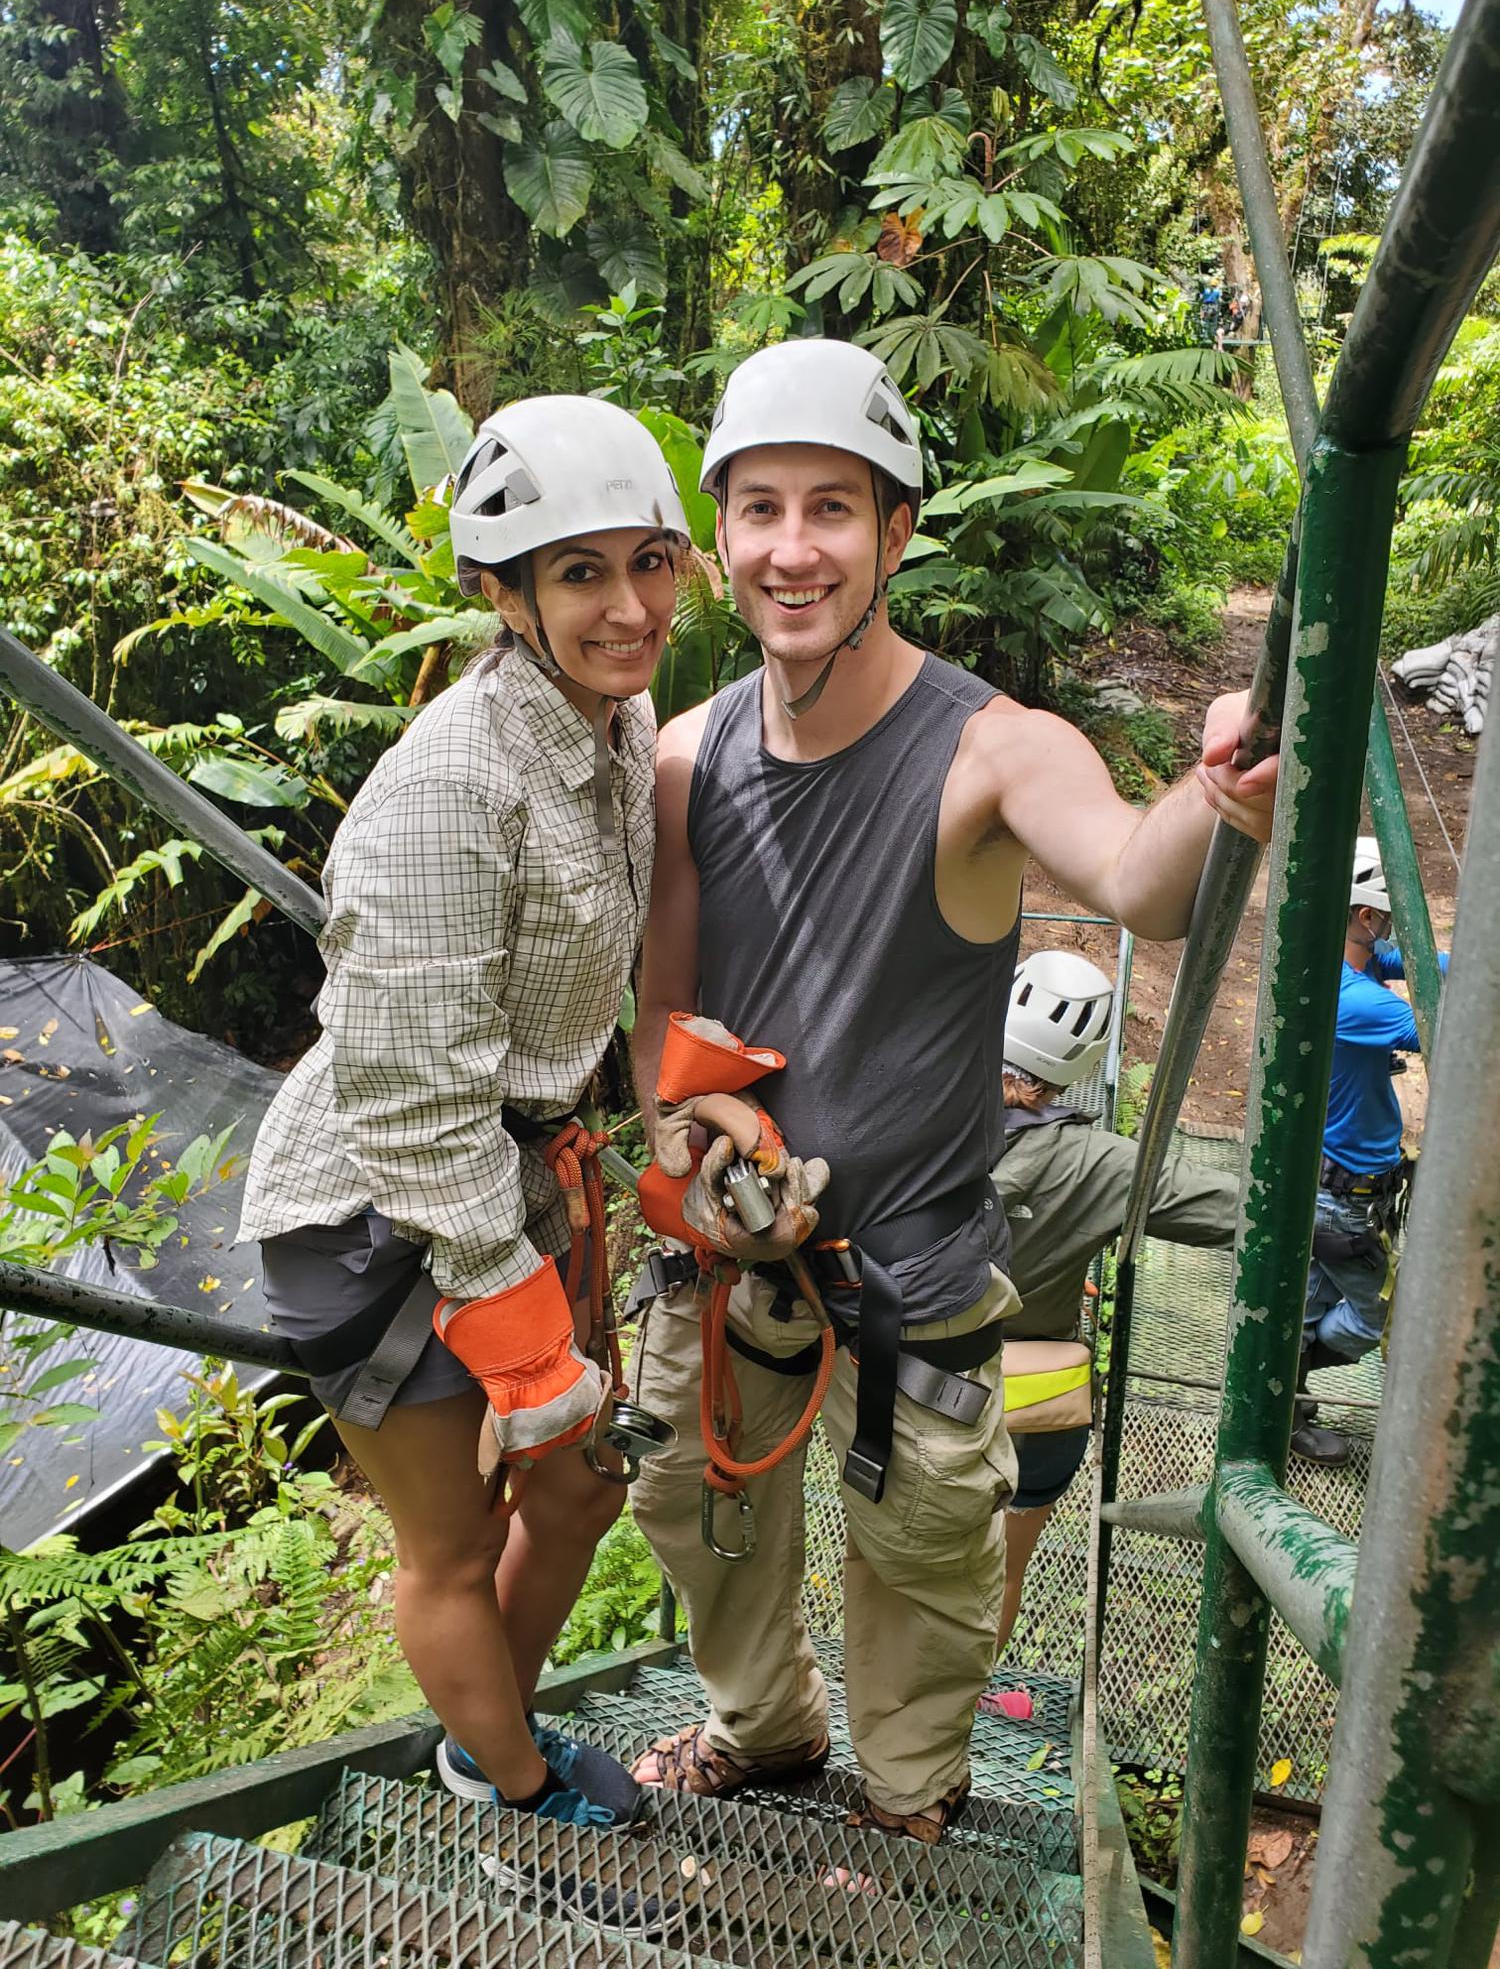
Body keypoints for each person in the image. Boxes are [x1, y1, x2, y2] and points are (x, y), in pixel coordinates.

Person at [623, 338, 1279, 1844]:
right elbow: (669, 1009)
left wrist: (1215, 791)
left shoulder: (989, 751)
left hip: (908, 1269)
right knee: (692, 1508)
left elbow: (1133, 878)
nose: (795, 549)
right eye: (763, 509)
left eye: (835, 510)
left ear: (896, 534)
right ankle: (767, 1730)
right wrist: (683, 1137)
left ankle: (906, 1799)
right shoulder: (681, 759)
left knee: (920, 1552)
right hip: (727, 1250)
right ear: (721, 538)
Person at [237, 395, 691, 1831]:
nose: (628, 606)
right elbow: (412, 1107)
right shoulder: (451, 784)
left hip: (514, 1164)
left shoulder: (613, 725)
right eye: (578, 573)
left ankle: (491, 1719)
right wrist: (515, 1326)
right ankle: (512, 1780)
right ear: (504, 596)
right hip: (378, 1200)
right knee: (455, 1536)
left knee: (578, 1491)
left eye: (649, 562)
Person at [988, 949, 1239, 1674]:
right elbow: (1232, 1208)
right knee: (1000, 1570)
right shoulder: (1098, 1163)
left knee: (896, 1562)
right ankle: (952, 1716)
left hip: (903, 1398)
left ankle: (883, 1707)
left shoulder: (910, 1112)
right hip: (1027, 1411)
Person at [1293, 837, 1447, 1465]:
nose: (1390, 929)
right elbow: (1448, 1025)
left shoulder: (1348, 962)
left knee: (1305, 1305)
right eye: (1385, 914)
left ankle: (1286, 1396)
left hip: (1333, 1188)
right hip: (1345, 1200)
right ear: (1363, 916)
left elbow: (1429, 961)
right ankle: (1285, 1393)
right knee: (1370, 1319)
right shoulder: (1355, 1000)